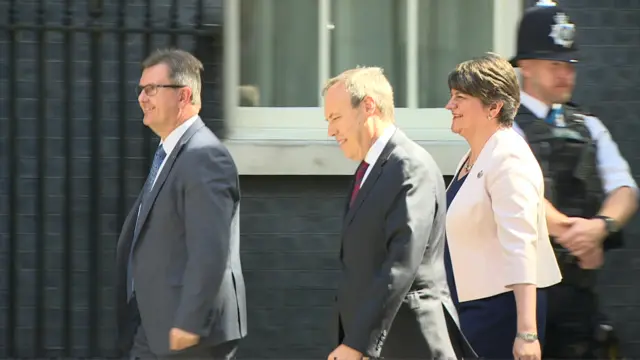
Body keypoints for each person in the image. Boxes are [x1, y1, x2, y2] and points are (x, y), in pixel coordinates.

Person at [510, 2, 638, 358]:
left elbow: (625, 190)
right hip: (523, 300)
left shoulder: (588, 126)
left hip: (579, 298)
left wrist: (601, 226)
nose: (566, 74)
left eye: (570, 65)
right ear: (526, 66)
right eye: (555, 64)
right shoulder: (506, 126)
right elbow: (520, 192)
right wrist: (576, 234)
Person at [322, 67, 476, 360]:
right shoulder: (370, 169)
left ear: (368, 106)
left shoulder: (408, 167)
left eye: (336, 118)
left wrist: (358, 343)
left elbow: (401, 263)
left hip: (413, 344)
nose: (331, 130)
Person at [115, 48, 247, 359]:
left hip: (190, 333)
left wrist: (191, 321)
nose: (141, 99)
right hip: (157, 321)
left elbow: (211, 247)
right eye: (140, 90)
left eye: (151, 89)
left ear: (184, 96)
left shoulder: (204, 156)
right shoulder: (171, 152)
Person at [443, 53, 563, 360]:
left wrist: (526, 333)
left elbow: (521, 244)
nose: (449, 106)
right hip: (471, 309)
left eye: (459, 97)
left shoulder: (508, 157)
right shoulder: (473, 158)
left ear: (493, 107)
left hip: (500, 313)